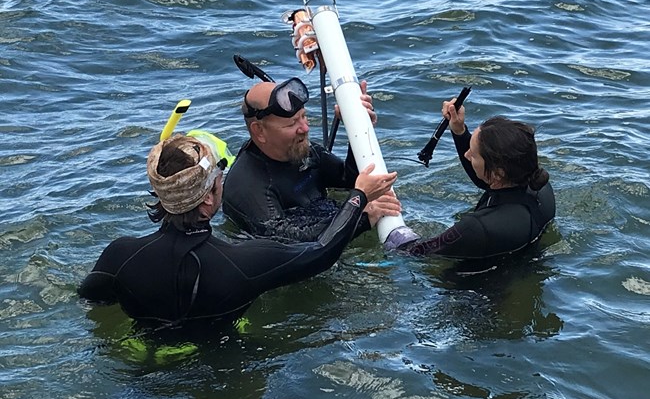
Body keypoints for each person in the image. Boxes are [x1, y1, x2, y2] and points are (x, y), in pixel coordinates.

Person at [78, 132, 397, 327]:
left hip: (144, 375)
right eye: (219, 178)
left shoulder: (120, 255)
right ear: (207, 201)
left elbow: (92, 300)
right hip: (222, 366)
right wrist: (358, 198)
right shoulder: (241, 263)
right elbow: (321, 253)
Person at [222, 75, 402, 241]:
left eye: (303, 116)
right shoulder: (246, 186)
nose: (305, 128)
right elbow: (288, 242)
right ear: (259, 131)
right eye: (292, 123)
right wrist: (360, 215)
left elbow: (348, 179)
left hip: (328, 220)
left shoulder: (301, 151)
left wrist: (357, 128)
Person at [386, 98, 555, 260]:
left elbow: (415, 252)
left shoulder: (475, 228)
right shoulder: (541, 188)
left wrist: (387, 223)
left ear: (497, 173)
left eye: (473, 154)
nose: (466, 155)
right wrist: (459, 132)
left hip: (476, 287)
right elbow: (490, 182)